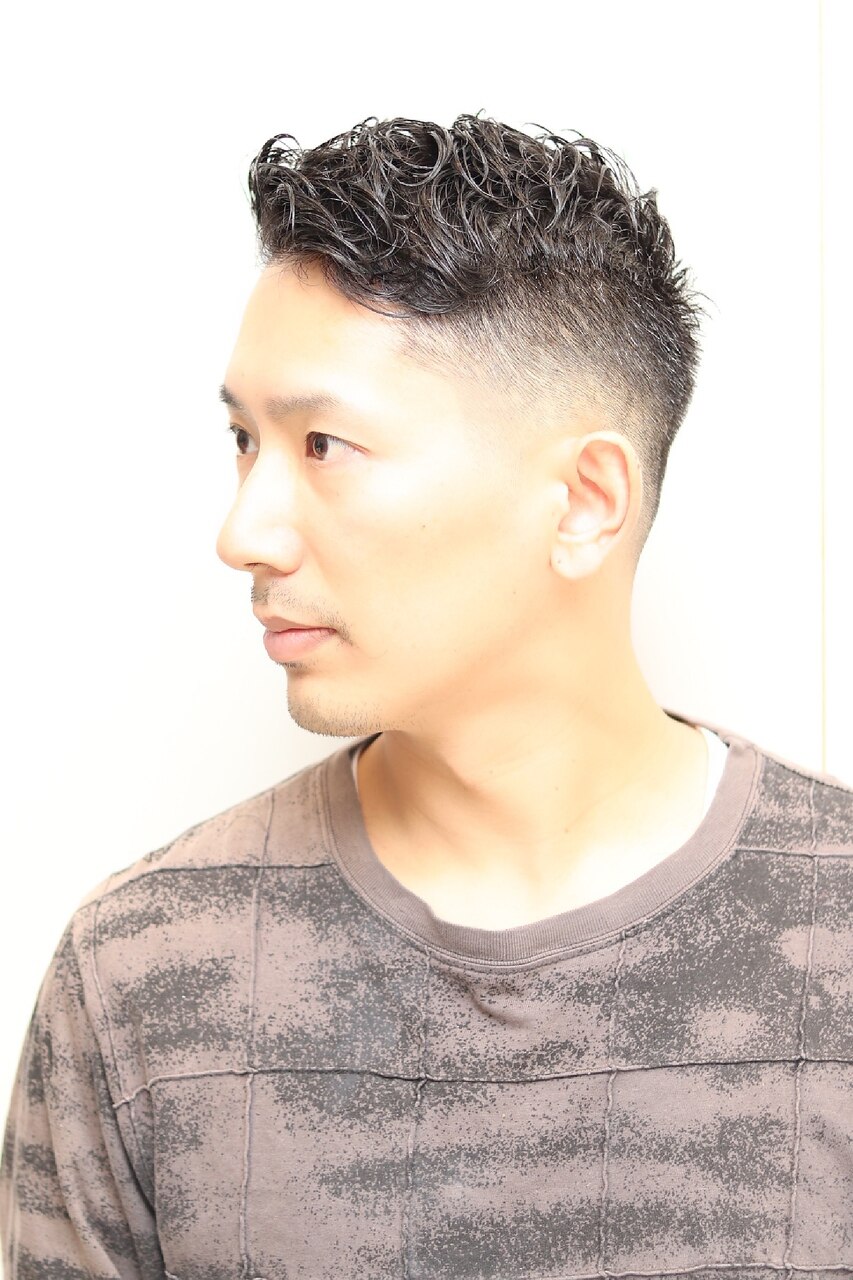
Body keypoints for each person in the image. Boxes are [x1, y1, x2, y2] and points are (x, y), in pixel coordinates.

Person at [1, 112, 850, 1278]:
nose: (242, 531)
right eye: (244, 439)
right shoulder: (140, 971)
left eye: (323, 445)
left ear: (583, 501)